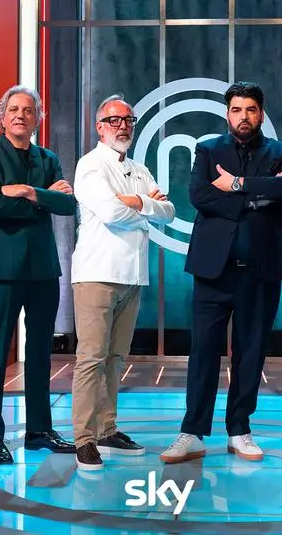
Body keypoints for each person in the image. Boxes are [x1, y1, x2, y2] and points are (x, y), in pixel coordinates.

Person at [160, 81, 282, 464]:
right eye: (237, 110)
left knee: (250, 353)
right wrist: (258, 197)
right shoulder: (208, 150)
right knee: (203, 352)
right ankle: (192, 432)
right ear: (227, 114)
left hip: (261, 271)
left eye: (251, 109)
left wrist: (237, 185)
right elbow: (200, 195)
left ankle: (239, 429)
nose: (244, 116)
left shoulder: (280, 151)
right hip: (213, 271)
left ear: (261, 114)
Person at [70, 94, 176, 471]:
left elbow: (169, 211)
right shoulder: (90, 165)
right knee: (91, 358)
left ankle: (107, 429)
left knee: (116, 358)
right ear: (100, 127)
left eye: (128, 120)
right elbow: (111, 212)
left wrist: (138, 202)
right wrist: (143, 206)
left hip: (132, 276)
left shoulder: (139, 169)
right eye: (114, 120)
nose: (123, 126)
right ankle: (84, 438)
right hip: (97, 274)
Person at [0, 85, 77, 464]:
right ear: (2, 117)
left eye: (28, 110)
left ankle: (39, 431)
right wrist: (43, 197)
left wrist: (28, 192)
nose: (20, 115)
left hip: (42, 269)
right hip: (2, 270)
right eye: (14, 109)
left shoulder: (48, 158)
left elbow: (67, 204)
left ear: (37, 119)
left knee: (39, 353)